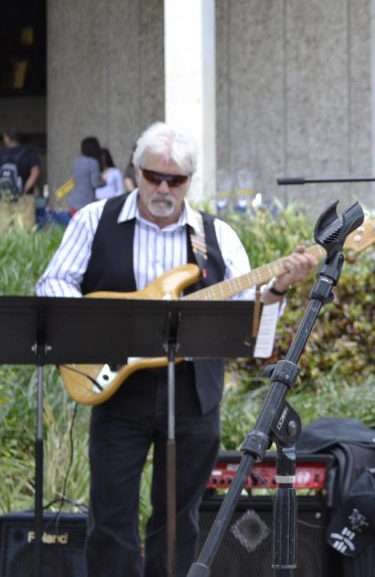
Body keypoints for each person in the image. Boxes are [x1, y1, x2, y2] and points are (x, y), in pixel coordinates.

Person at [36, 122, 318, 577]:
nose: (164, 188)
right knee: (110, 520)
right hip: (116, 391)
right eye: (153, 176)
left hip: (192, 394)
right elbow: (53, 283)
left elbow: (247, 318)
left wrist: (277, 289)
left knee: (178, 521)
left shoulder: (217, 236)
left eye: (177, 180)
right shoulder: (95, 219)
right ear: (135, 171)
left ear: (190, 181)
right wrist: (105, 328)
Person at [0, 128, 42, 197]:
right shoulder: (29, 152)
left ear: (8, 138)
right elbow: (35, 172)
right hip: (24, 198)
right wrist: (23, 191)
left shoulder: (1, 153)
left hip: (3, 197)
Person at [68, 135, 105, 213]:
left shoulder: (77, 161)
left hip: (73, 201)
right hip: (86, 202)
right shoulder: (93, 162)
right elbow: (95, 183)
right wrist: (104, 181)